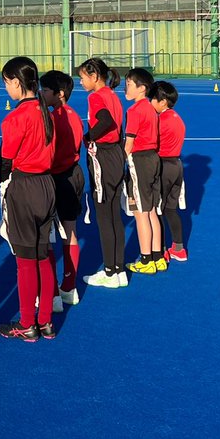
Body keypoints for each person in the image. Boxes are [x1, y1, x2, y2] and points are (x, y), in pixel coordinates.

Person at [0, 56, 57, 341]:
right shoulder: (47, 112)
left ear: (17, 83)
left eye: (7, 83)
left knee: (25, 259)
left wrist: (2, 186)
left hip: (24, 186)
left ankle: (26, 322)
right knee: (42, 255)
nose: (6, 88)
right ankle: (45, 320)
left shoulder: (15, 118)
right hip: (47, 184)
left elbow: (6, 161)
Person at [79, 58, 127, 289]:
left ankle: (109, 271)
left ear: (95, 76)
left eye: (83, 77)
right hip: (117, 154)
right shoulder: (113, 96)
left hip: (104, 157)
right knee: (114, 214)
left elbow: (105, 122)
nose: (80, 82)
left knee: (104, 216)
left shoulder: (96, 97)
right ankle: (119, 269)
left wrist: (88, 137)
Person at [41, 70, 85, 310]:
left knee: (47, 237)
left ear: (59, 94)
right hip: (74, 174)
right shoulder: (74, 115)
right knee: (70, 232)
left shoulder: (53, 118)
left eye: (45, 90)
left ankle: (52, 294)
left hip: (56, 177)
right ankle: (69, 287)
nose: (41, 93)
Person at [124, 67, 163, 275]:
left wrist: (117, 164)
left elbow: (129, 143)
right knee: (151, 210)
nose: (125, 88)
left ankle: (146, 259)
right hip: (153, 159)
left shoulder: (134, 110)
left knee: (140, 213)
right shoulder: (151, 109)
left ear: (142, 88)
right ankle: (158, 257)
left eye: (129, 84)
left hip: (139, 161)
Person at [149, 80, 188, 262]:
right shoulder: (177, 118)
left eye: (152, 99)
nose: (150, 103)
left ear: (162, 101)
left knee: (157, 209)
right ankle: (178, 248)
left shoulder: (160, 120)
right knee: (170, 209)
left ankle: (161, 249)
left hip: (163, 165)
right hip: (177, 165)